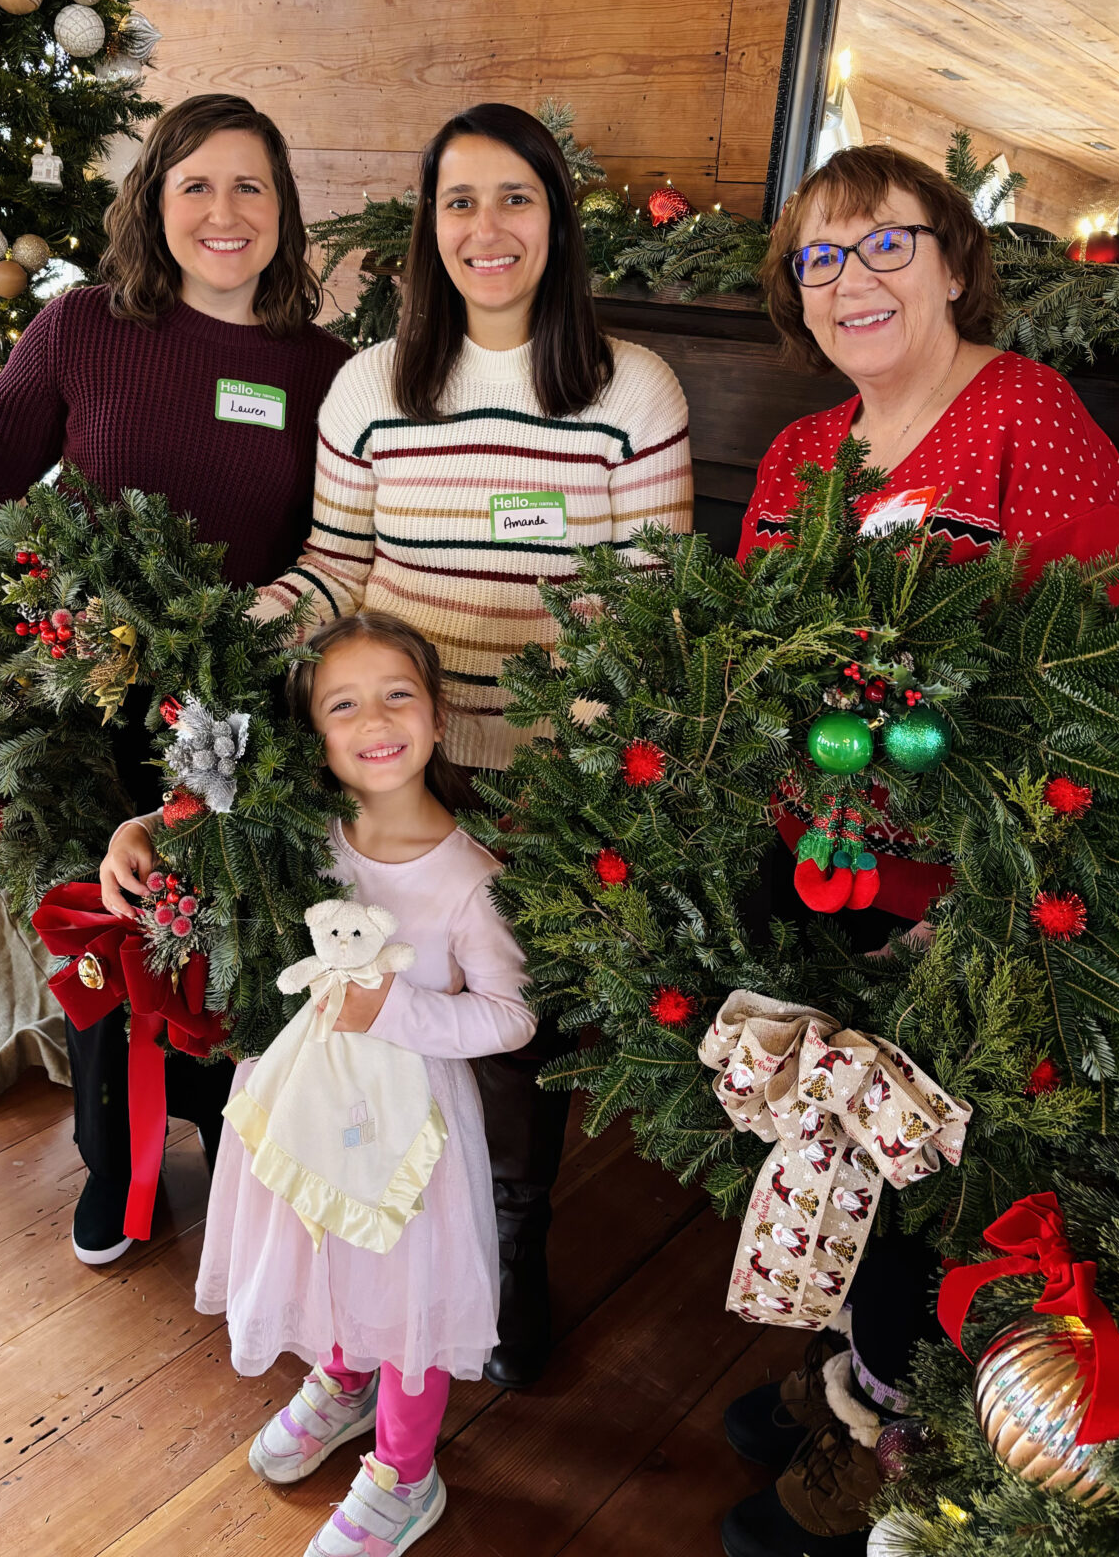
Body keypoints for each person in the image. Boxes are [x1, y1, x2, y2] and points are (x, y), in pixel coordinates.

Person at [719, 143, 1119, 1557]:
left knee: (929, 1177)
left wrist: (987, 891)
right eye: (822, 260)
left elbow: (1099, 675)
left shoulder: (1032, 415)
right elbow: (750, 656)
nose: (854, 281)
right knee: (827, 1127)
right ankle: (852, 1367)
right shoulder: (797, 455)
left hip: (976, 895)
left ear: (956, 259)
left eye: (886, 245)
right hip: (822, 865)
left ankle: (898, 1440)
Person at [0, 93, 350, 1268]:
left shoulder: (326, 369)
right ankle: (115, 1166)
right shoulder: (84, 325)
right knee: (105, 934)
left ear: (283, 212)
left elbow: (335, 544)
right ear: (154, 201)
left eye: (251, 187)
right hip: (82, 701)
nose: (223, 212)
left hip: (243, 707)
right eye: (196, 184)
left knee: (235, 938)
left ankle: (242, 1163)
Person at [256, 102, 694, 1386]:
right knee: (381, 1016)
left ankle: (513, 1242)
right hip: (399, 772)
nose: (486, 227)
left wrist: (583, 759)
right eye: (459, 201)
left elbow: (650, 594)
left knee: (513, 1036)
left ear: (555, 224)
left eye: (515, 198)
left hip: (551, 782)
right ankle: (383, 1248)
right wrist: (241, 630)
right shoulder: (369, 387)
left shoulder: (631, 388)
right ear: (425, 229)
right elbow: (335, 568)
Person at [107, 612, 536, 1556]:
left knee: (407, 1289)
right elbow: (193, 832)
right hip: (303, 1103)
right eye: (344, 704)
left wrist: (394, 1012)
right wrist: (134, 830)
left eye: (398, 695)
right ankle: (345, 1380)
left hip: (411, 1135)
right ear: (314, 734)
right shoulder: (303, 834)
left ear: (435, 713)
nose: (375, 719)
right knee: (324, 1255)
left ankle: (404, 1472)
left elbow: (511, 1017)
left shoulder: (471, 879)